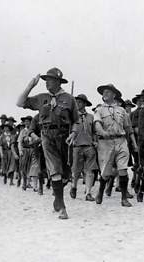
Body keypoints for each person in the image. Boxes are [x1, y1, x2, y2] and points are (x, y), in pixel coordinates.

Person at [17, 67, 79, 220]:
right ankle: (63, 208)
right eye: (45, 80)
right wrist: (30, 86)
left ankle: (57, 199)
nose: (47, 82)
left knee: (65, 175)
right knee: (55, 171)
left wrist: (73, 133)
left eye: (50, 80)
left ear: (58, 81)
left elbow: (76, 121)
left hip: (64, 137)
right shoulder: (41, 98)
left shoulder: (69, 99)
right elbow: (20, 103)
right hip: (47, 136)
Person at [93, 84, 138, 207]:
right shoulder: (99, 110)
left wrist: (134, 144)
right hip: (106, 143)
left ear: (114, 95)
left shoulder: (122, 111)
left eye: (108, 92)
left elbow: (128, 129)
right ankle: (101, 191)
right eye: (104, 92)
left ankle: (124, 198)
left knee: (123, 170)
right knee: (106, 173)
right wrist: (103, 133)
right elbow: (97, 124)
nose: (105, 94)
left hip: (121, 141)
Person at [66, 94, 99, 201]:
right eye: (76, 102)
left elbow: (94, 131)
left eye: (80, 102)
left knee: (90, 170)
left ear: (85, 104)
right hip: (77, 146)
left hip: (89, 146)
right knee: (76, 170)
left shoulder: (91, 117)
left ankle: (88, 193)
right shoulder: (71, 117)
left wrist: (95, 141)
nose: (77, 104)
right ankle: (74, 186)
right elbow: (68, 131)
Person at [18, 116, 41, 191]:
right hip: (25, 150)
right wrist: (20, 150)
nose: (27, 123)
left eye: (29, 121)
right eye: (26, 121)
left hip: (33, 149)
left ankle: (35, 186)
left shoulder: (34, 131)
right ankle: (24, 183)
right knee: (24, 167)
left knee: (35, 166)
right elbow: (20, 142)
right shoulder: (22, 132)